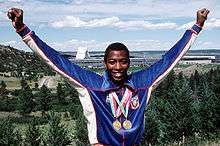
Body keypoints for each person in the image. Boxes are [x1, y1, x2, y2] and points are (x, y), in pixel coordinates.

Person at [8, 8, 209, 146]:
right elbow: (56, 60)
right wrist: (23, 30)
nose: (118, 67)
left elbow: (170, 59)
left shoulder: (142, 83)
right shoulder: (91, 85)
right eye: (112, 61)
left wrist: (196, 28)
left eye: (123, 61)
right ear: (105, 63)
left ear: (129, 62)